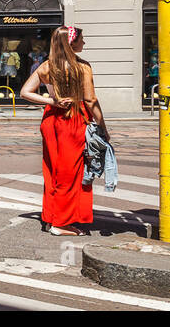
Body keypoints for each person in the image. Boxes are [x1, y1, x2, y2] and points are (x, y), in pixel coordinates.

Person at [20, 25, 107, 237]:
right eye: (81, 40)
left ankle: (51, 217)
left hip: (51, 120)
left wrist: (51, 101)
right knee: (71, 172)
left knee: (53, 171)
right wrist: (102, 126)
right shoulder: (82, 67)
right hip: (72, 119)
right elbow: (90, 99)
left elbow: (25, 92)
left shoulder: (47, 66)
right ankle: (62, 223)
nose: (84, 43)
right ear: (71, 44)